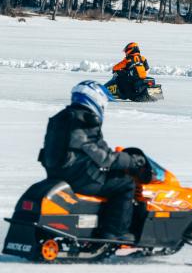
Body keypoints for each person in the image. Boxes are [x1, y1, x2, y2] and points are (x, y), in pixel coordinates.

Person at [40, 80, 145, 242]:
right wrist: (130, 161)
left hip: (58, 173)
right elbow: (104, 158)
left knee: (113, 178)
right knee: (125, 184)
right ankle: (114, 232)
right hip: (79, 177)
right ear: (96, 99)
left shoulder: (61, 118)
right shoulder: (85, 120)